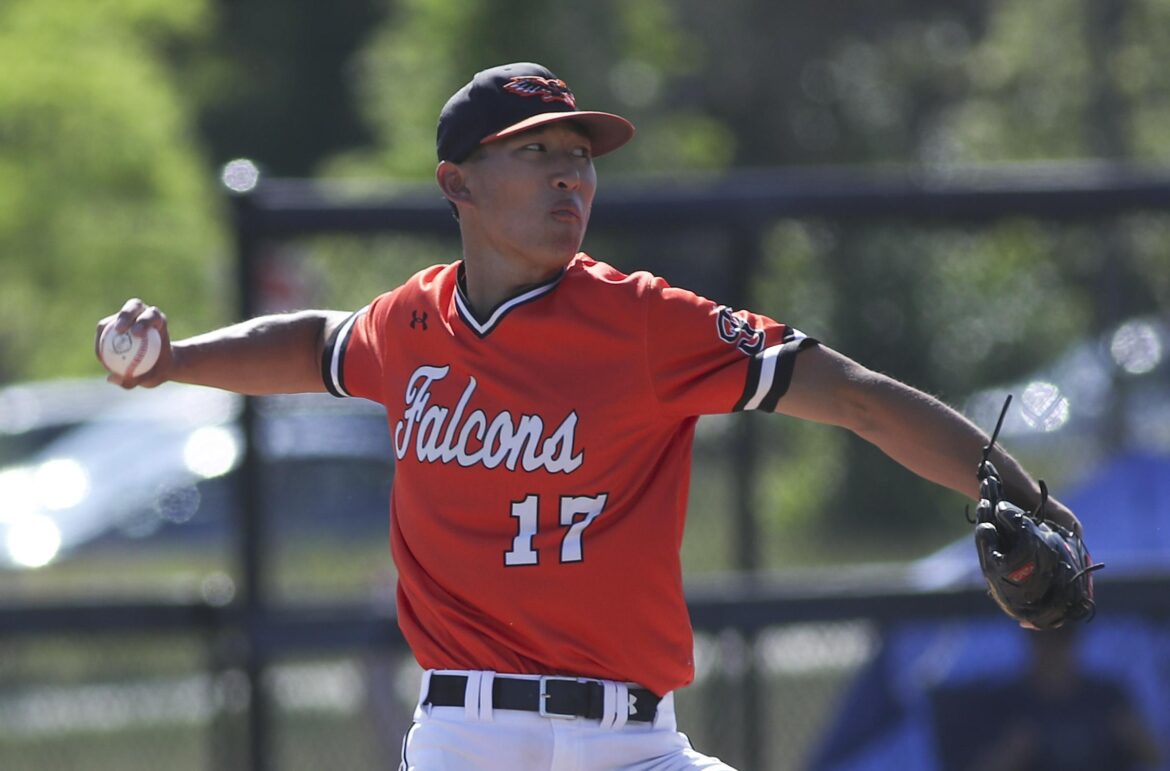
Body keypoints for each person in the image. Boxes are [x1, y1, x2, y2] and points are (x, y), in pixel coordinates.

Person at [96, 62, 1085, 771]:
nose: (571, 173)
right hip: (465, 740)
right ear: (459, 184)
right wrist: (176, 359)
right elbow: (315, 345)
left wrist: (1025, 491)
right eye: (536, 153)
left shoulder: (646, 322)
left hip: (631, 741)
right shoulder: (413, 323)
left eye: (581, 153)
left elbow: (858, 398)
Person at [931, 626, 1161, 771]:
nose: (1054, 649)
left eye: (1062, 636)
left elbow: (1155, 757)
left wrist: (1131, 734)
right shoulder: (1006, 700)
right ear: (1030, 640)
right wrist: (1013, 751)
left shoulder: (1107, 695)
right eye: (1044, 637)